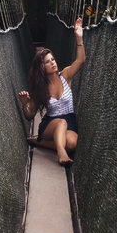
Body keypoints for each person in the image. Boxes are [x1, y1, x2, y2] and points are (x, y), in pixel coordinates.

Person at [18, 17, 85, 165]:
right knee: (61, 123)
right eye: (47, 62)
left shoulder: (66, 75)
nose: (52, 63)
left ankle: (40, 142)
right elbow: (30, 116)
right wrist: (25, 104)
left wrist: (79, 38)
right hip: (51, 124)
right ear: (42, 68)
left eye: (52, 60)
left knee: (72, 144)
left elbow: (80, 61)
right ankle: (61, 153)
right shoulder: (41, 89)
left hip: (70, 120)